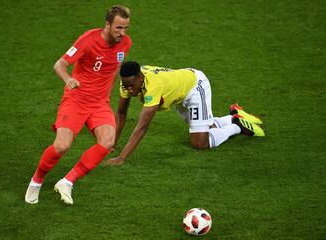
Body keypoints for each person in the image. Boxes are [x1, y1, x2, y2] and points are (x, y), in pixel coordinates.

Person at [25, 5, 132, 204]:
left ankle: (67, 182)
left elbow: (115, 67)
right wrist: (67, 79)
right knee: (62, 146)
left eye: (125, 28)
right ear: (107, 24)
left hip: (99, 103)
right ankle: (36, 182)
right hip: (77, 99)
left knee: (108, 142)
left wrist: (106, 95)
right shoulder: (88, 40)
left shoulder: (125, 43)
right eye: (118, 28)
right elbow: (60, 64)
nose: (122, 33)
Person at [105, 61, 265, 166]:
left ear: (140, 77)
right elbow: (121, 113)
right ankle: (233, 116)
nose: (129, 89)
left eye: (132, 85)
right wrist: (113, 143)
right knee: (204, 126)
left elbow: (142, 127)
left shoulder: (152, 87)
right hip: (179, 93)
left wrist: (122, 157)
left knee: (199, 142)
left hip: (195, 86)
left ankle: (236, 126)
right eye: (126, 86)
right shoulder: (126, 84)